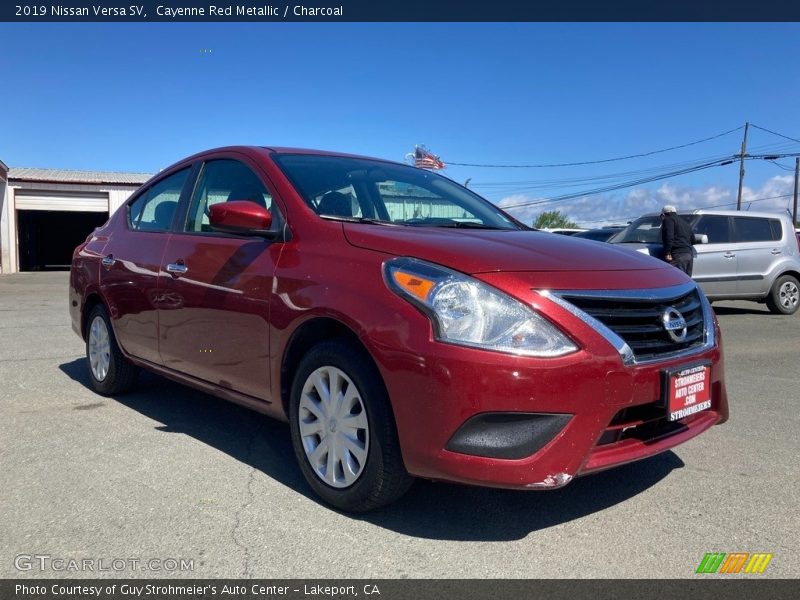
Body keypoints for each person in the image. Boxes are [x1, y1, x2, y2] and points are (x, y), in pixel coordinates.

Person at [660, 205, 695, 276]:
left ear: (663, 214)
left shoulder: (668, 219)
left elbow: (669, 236)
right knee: (686, 280)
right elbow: (693, 240)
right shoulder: (686, 223)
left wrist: (668, 252)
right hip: (689, 254)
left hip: (678, 254)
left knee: (674, 278)